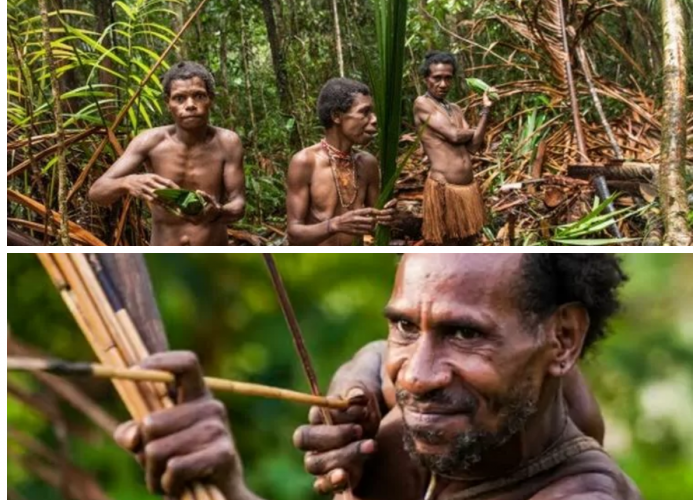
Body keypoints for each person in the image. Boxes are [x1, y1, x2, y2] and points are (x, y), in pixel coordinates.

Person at [113, 254, 641, 500]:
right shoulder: (502, 407)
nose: (416, 376)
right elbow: (380, 356)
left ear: (563, 340)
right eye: (406, 326)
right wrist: (360, 380)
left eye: (465, 334)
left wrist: (226, 488)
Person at [89, 61, 245, 246]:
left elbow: (239, 205)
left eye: (199, 96)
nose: (190, 105)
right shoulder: (150, 141)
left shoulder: (227, 142)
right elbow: (97, 192)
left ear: (210, 98)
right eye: (180, 98)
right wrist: (127, 182)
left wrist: (217, 212)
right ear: (168, 103)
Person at [286, 78, 395, 246]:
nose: (374, 119)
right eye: (364, 112)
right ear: (337, 116)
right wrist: (334, 225)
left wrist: (387, 217)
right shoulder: (306, 162)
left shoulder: (368, 164)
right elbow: (294, 233)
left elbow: (375, 223)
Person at [414, 52, 491, 245]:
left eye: (448, 78)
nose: (443, 84)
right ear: (426, 79)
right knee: (447, 245)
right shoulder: (422, 104)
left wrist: (486, 110)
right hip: (444, 188)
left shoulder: (455, 109)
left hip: (468, 190)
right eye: (437, 78)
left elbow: (474, 146)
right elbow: (454, 135)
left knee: (469, 243)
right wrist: (470, 131)